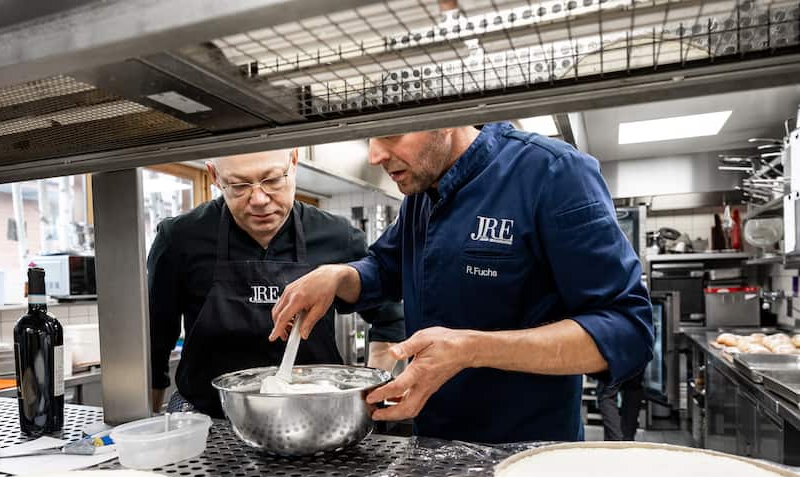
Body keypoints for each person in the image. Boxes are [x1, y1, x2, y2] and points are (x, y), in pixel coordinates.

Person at [269, 123, 654, 444]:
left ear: (447, 117)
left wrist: (471, 349)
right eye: (370, 138)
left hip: (526, 451)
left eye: (390, 135)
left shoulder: (553, 173)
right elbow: (384, 270)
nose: (375, 156)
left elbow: (627, 329)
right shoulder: (421, 195)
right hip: (434, 445)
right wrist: (338, 276)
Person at [148, 149, 404, 416]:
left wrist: (371, 391)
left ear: (293, 162)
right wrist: (149, 420)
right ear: (214, 176)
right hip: (208, 419)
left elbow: (389, 317)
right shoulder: (179, 238)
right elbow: (155, 342)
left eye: (272, 180)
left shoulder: (338, 236)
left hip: (315, 419)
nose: (259, 200)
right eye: (238, 185)